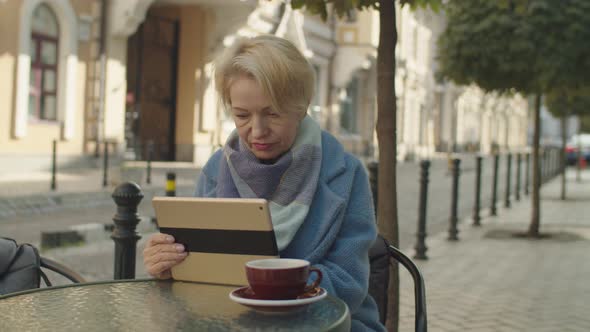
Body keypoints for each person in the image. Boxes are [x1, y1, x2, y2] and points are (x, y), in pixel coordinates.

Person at [143, 35, 385, 331]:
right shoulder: (216, 169)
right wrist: (171, 265)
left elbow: (349, 282)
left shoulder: (345, 174)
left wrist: (268, 286)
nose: (257, 131)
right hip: (231, 322)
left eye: (272, 114)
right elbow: (198, 278)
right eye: (241, 115)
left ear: (302, 106)